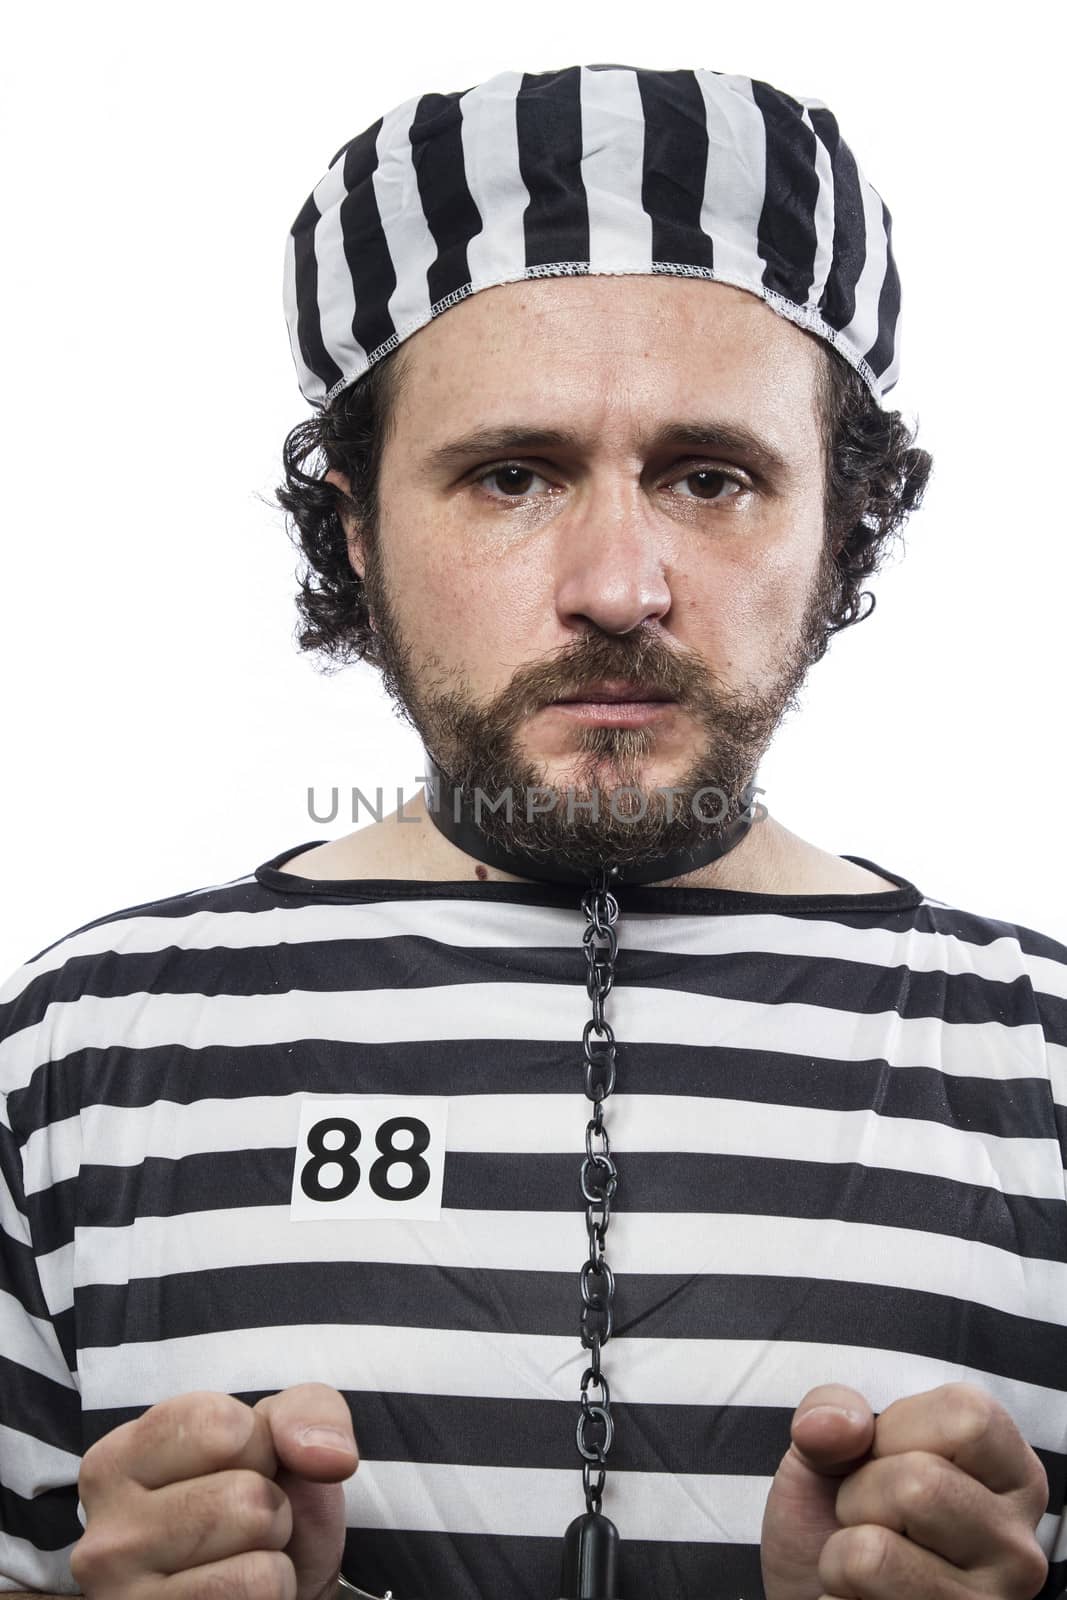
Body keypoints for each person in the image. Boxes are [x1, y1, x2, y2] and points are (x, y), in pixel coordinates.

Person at [0, 60, 1063, 1600]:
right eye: (512, 475)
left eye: (711, 477)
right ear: (358, 526)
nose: (619, 585)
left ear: (842, 517)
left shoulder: (1041, 1071)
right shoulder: (77, 1070)